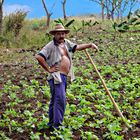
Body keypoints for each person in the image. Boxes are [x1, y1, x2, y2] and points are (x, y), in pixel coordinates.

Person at [35, 23, 98, 130]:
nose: (61, 36)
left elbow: (76, 47)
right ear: (54, 35)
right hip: (56, 77)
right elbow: (39, 57)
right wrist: (48, 69)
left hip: (64, 76)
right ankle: (57, 125)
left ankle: (52, 124)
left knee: (55, 100)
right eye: (59, 34)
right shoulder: (50, 46)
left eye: (63, 33)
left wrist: (89, 45)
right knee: (60, 99)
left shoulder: (66, 43)